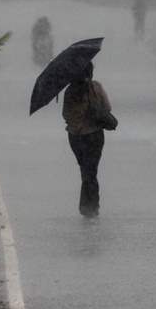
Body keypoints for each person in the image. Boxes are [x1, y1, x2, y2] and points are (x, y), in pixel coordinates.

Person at [62, 62, 111, 217]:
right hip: (94, 134)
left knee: (85, 169)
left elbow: (65, 115)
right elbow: (108, 108)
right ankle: (91, 206)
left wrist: (77, 122)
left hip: (75, 136)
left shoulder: (70, 91)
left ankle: (87, 206)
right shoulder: (96, 87)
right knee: (91, 170)